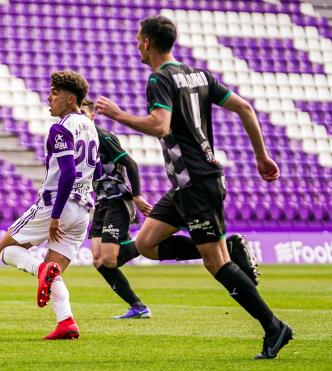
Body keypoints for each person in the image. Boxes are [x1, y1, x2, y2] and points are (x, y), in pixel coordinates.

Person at [95, 16, 292, 359]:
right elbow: (245, 107)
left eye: (137, 40)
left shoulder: (159, 79)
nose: (136, 45)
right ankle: (228, 244)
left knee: (216, 264)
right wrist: (262, 157)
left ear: (146, 43)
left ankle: (274, 327)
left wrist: (118, 114)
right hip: (187, 185)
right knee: (145, 243)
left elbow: (160, 126)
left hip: (197, 183)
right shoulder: (199, 74)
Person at [0, 71, 99, 340]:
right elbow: (97, 170)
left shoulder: (61, 128)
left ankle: (39, 269)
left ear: (70, 99)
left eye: (54, 93)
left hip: (57, 204)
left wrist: (55, 215)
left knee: (5, 249)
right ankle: (66, 322)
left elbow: (67, 173)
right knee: (56, 274)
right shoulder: (91, 126)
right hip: (83, 210)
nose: (48, 97)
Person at [81, 99, 153, 319]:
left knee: (110, 260)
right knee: (97, 260)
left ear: (92, 116)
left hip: (117, 200)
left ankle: (150, 240)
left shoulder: (103, 136)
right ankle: (138, 307)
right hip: (101, 203)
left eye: (82, 113)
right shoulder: (80, 140)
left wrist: (137, 195)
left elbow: (131, 163)